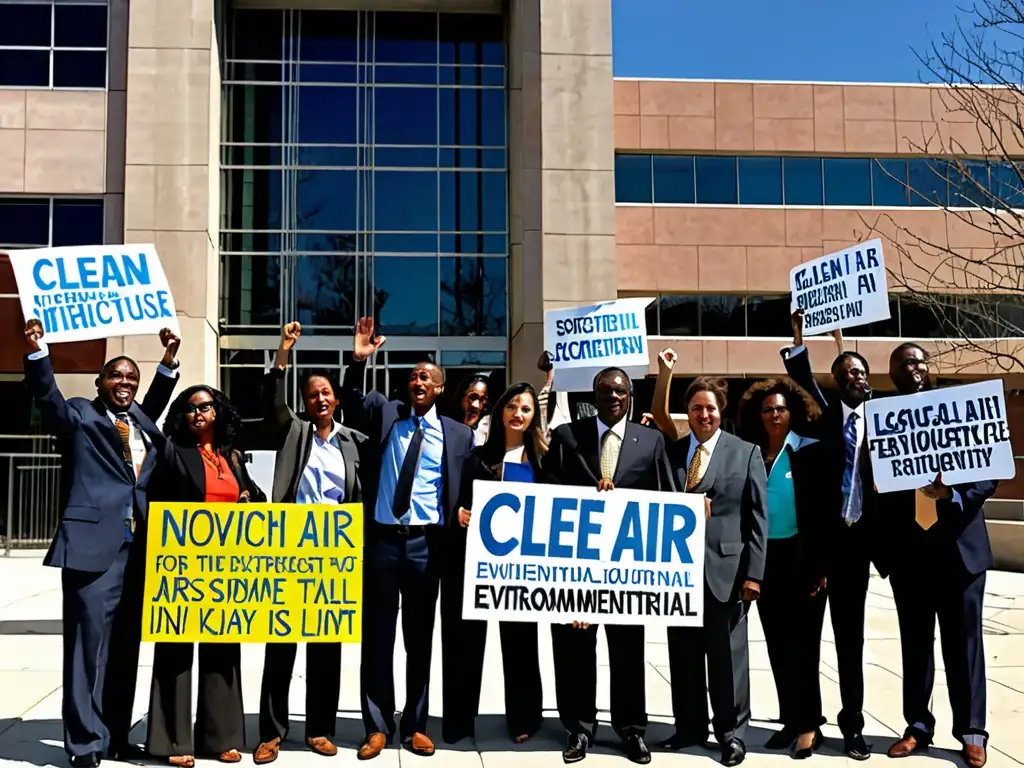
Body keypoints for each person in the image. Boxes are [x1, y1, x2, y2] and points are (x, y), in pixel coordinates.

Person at [23, 319, 181, 767]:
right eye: (117, 376)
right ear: (100, 382)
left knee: (124, 652)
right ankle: (85, 744)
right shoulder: (80, 415)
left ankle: (113, 736)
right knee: (86, 652)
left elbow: (153, 401)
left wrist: (168, 361)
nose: (126, 383)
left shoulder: (142, 422)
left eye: (132, 377)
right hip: (92, 548)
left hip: (138, 549)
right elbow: (48, 400)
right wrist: (38, 353)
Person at [341, 317, 475, 760]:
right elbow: (352, 401)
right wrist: (359, 361)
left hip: (426, 547)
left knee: (419, 639)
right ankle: (377, 726)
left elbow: (469, 483)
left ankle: (415, 724)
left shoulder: (459, 433)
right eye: (414, 376)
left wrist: (463, 510)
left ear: (439, 388)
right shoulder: (386, 413)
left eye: (427, 377)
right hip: (381, 542)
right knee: (377, 637)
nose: (418, 381)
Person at [542, 367, 674, 765]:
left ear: (630, 394)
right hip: (576, 566)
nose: (612, 396)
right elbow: (545, 497)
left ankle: (631, 730)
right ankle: (579, 729)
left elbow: (666, 499)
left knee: (628, 649)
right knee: (575, 649)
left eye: (619, 391)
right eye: (604, 391)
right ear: (594, 395)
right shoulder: (568, 437)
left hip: (628, 569)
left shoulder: (652, 442)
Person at [253, 322, 369, 764]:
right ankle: (272, 732)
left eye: (326, 393)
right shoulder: (294, 432)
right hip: (292, 546)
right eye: (312, 394)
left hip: (335, 552)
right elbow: (272, 401)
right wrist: (283, 352)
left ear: (336, 400)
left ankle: (320, 728)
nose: (319, 399)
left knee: (326, 646)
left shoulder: (352, 442)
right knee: (280, 644)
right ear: (304, 402)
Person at [880, 343, 997, 768]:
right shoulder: (883, 420)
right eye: (903, 362)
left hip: (960, 551)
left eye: (918, 361)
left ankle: (972, 731)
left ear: (927, 369)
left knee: (964, 646)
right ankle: (917, 727)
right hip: (910, 556)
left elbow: (988, 475)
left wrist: (954, 494)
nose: (913, 367)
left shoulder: (962, 410)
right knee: (915, 646)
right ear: (891, 373)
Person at [650, 353, 768, 767]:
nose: (704, 414)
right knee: (682, 653)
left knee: (728, 657)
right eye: (697, 408)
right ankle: (688, 728)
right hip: (678, 575)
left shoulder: (746, 453)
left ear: (720, 411)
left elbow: (757, 517)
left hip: (727, 572)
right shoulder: (672, 453)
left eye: (710, 408)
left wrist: (754, 575)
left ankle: (732, 733)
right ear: (689, 412)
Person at [146, 386, 265, 767]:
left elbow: (255, 496)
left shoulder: (232, 457)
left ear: (219, 412)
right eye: (190, 408)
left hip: (225, 569)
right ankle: (173, 740)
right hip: (181, 568)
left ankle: (221, 738)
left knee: (223, 651)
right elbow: (154, 499)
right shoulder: (171, 451)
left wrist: (247, 499)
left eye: (205, 406)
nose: (197, 413)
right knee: (175, 653)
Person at [780, 309, 878, 760]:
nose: (855, 377)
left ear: (869, 377)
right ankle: (808, 725)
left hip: (858, 551)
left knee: (850, 642)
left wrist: (844, 342)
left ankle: (852, 726)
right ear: (837, 381)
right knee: (807, 642)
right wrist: (800, 339)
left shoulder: (889, 422)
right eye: (846, 372)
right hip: (817, 554)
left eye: (860, 371)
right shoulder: (821, 420)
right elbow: (802, 385)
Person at [440, 382, 547, 745]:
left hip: (522, 570)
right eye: (512, 406)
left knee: (521, 644)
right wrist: (460, 514)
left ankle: (525, 717)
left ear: (534, 417)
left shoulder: (543, 463)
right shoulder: (476, 458)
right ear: (500, 411)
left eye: (526, 409)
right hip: (476, 567)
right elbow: (453, 502)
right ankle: (458, 719)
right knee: (465, 645)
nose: (518, 414)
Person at [735, 378, 829, 759]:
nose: (775, 414)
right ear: (759, 415)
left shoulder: (809, 451)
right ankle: (790, 718)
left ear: (792, 411)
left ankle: (809, 725)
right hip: (762, 559)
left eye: (781, 409)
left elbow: (822, 513)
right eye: (768, 409)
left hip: (802, 558)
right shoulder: (752, 453)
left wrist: (821, 564)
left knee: (804, 646)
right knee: (777, 645)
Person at [451, 373, 491, 445]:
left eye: (482, 400)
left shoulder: (488, 430)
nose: (476, 405)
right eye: (472, 397)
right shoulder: (447, 427)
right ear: (461, 397)